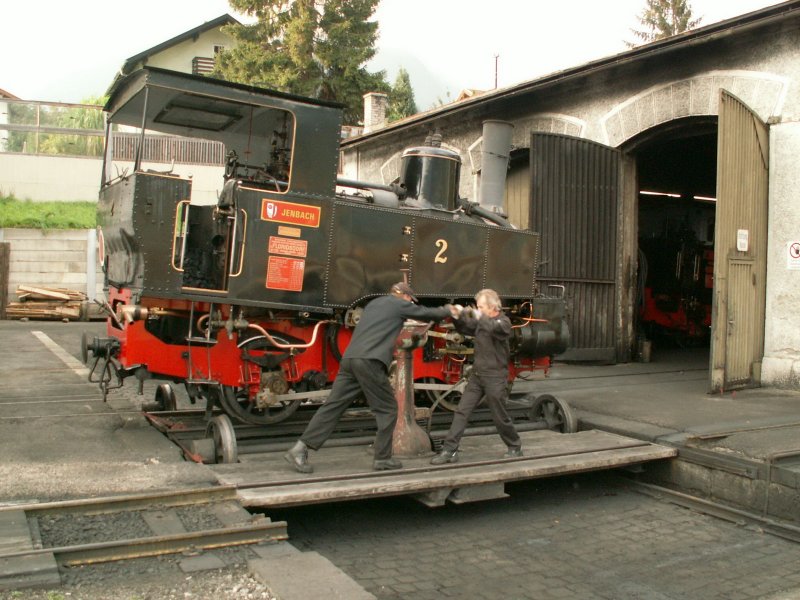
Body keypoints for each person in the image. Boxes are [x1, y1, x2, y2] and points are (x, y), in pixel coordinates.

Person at [285, 282, 458, 473]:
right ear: (405, 297)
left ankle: (299, 448)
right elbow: (427, 314)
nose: (410, 302)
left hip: (350, 359)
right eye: (410, 299)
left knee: (333, 406)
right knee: (388, 409)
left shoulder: (374, 304)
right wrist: (449, 309)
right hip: (370, 361)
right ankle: (382, 459)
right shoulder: (398, 304)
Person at [430, 288, 522, 465]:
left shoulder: (503, 322)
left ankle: (515, 446)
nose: (478, 309)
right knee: (461, 411)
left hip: (495, 377)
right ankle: (450, 450)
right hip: (478, 375)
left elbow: (494, 328)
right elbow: (466, 327)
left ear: (492, 306)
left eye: (481, 306)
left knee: (499, 415)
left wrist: (479, 317)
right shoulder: (483, 321)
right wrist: (457, 316)